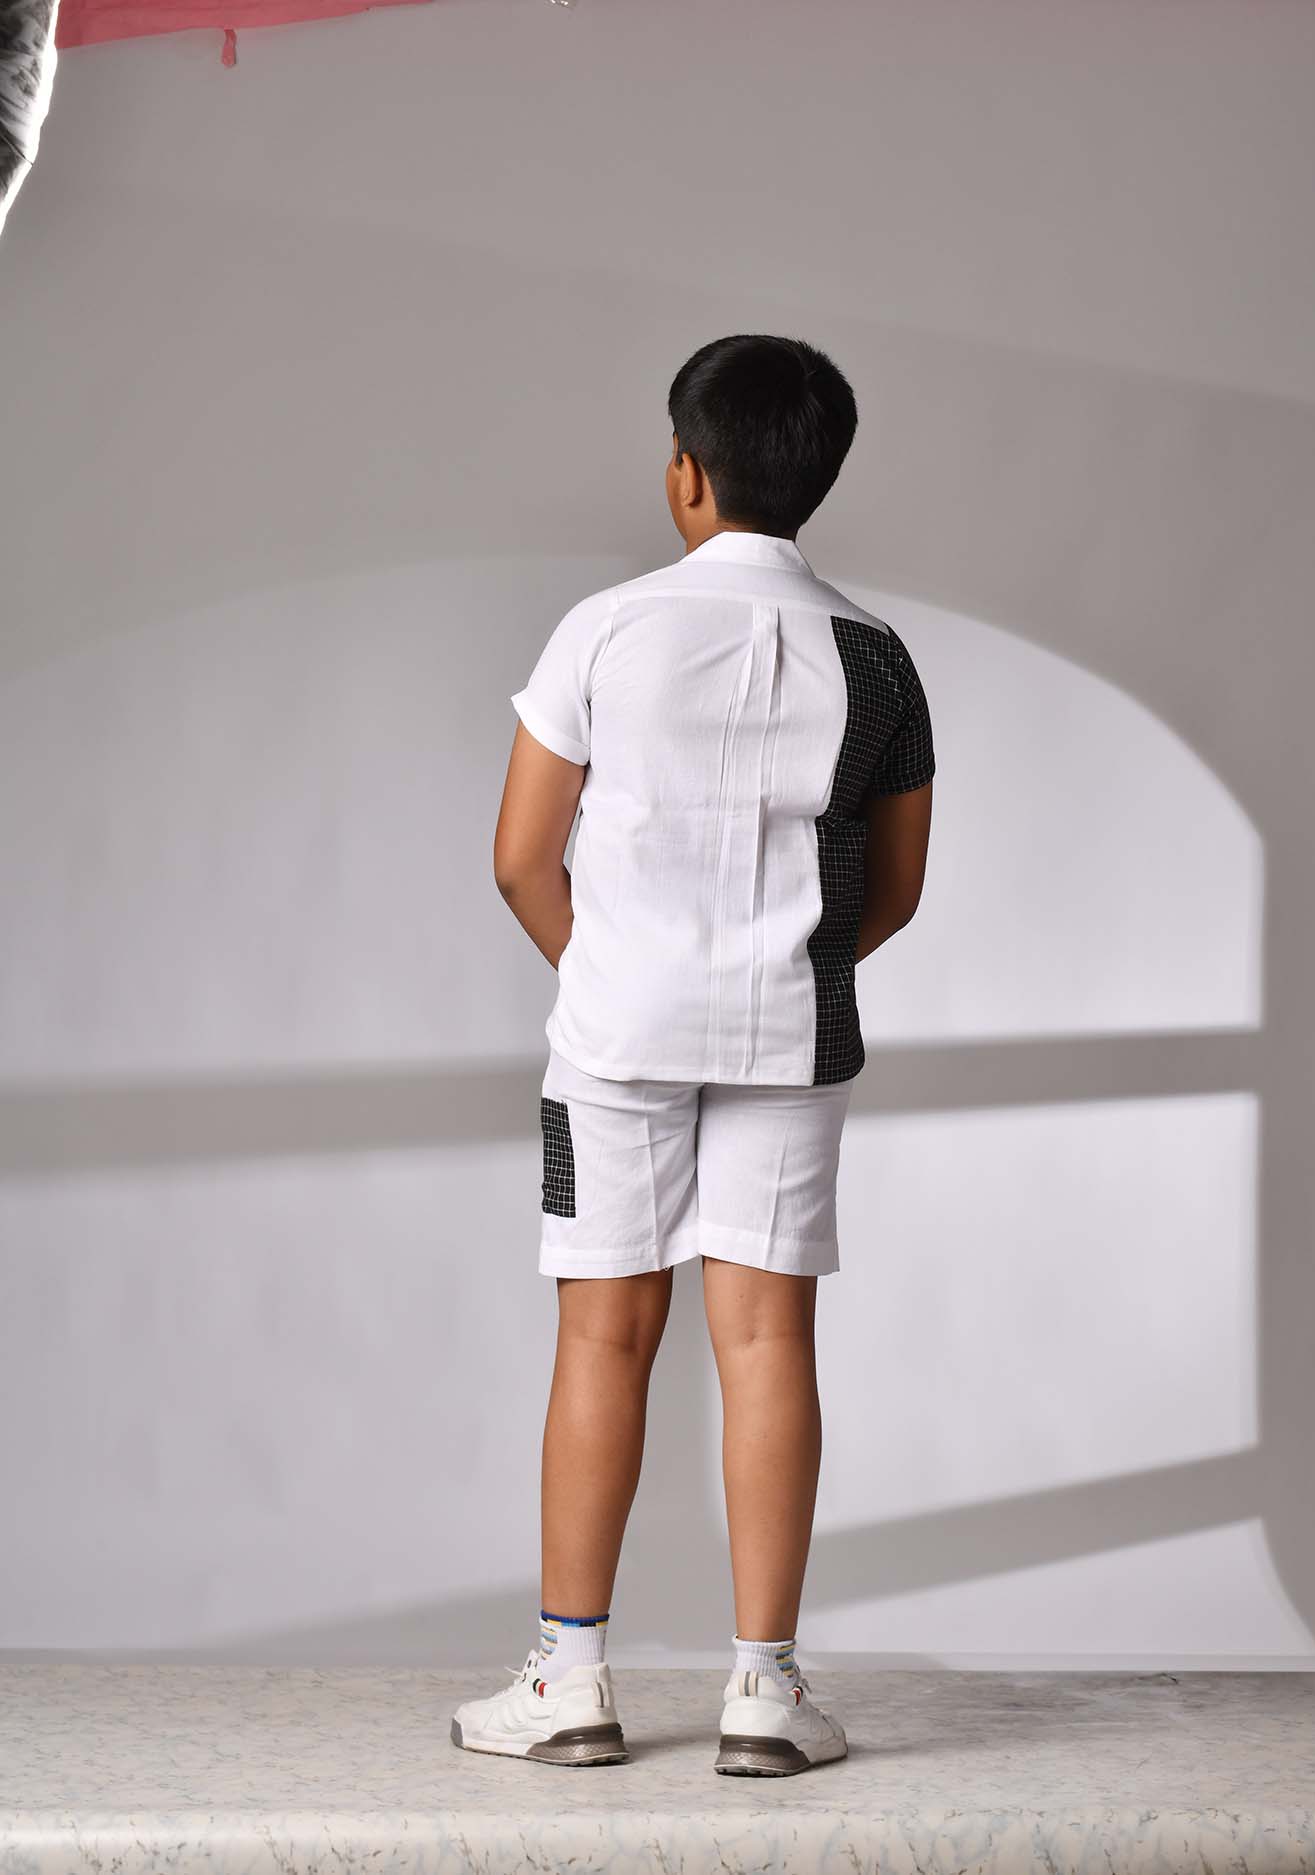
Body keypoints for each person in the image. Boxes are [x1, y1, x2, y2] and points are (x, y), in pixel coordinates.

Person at [450, 334, 936, 1776]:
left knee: (603, 1336)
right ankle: (764, 1695)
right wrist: (777, 978)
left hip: (615, 1038)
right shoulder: (878, 658)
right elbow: (896, 891)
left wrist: (617, 978)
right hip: (793, 1033)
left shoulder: (603, 630)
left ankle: (569, 1685)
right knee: (769, 1341)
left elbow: (521, 858)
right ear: (819, 478)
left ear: (685, 473)